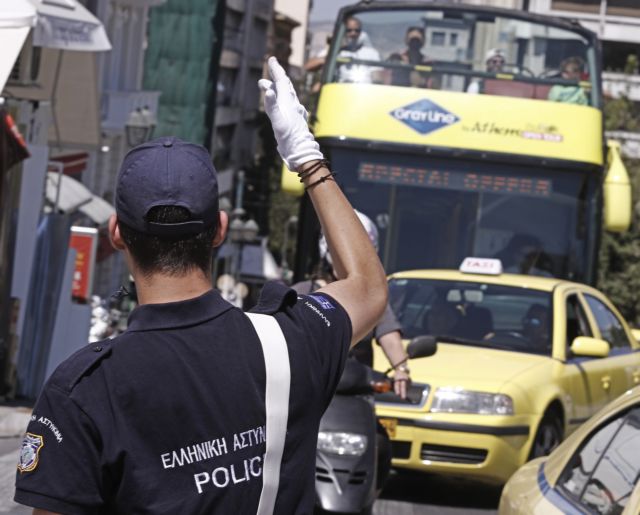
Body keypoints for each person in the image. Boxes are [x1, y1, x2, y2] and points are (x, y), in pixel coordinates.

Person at [14, 57, 388, 515]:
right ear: (220, 230)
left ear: (116, 234)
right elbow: (367, 287)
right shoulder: (289, 342)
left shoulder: (85, 388)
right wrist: (307, 159)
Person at [292, 210, 410, 398]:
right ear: (327, 251)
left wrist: (401, 368)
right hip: (307, 391)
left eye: (357, 256)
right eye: (341, 253)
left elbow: (388, 334)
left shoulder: (370, 297)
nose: (348, 262)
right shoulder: (301, 292)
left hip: (356, 393)